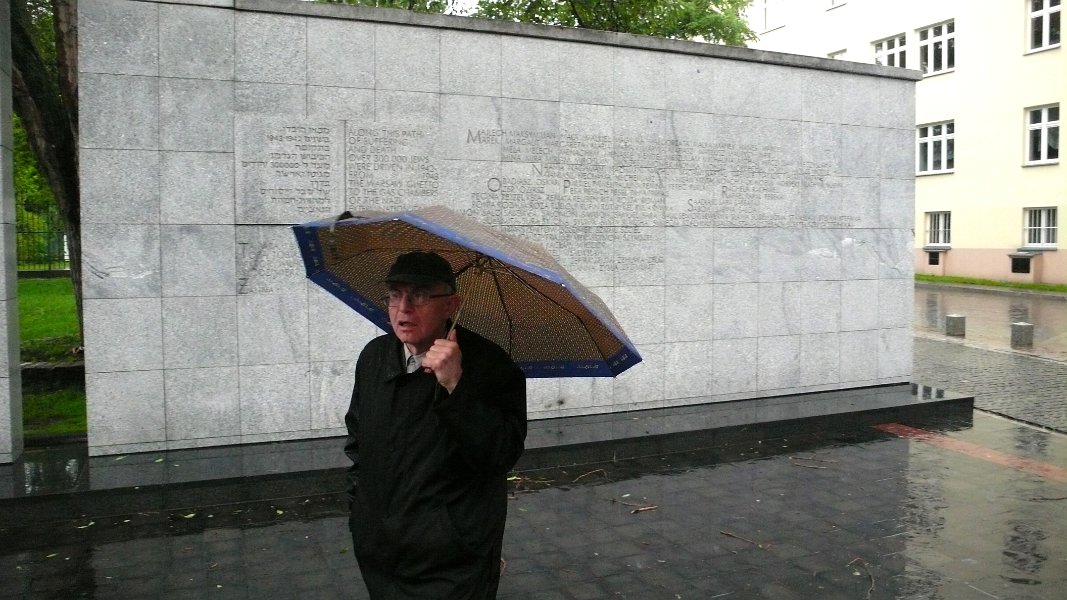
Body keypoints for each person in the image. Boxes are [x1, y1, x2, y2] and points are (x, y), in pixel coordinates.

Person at [344, 250, 528, 599]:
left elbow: (500, 454)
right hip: (380, 555)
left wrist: (456, 386)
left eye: (421, 295)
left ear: (451, 305)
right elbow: (358, 441)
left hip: (452, 565)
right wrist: (361, 517)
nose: (404, 308)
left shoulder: (492, 366)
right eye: (395, 295)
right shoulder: (375, 357)